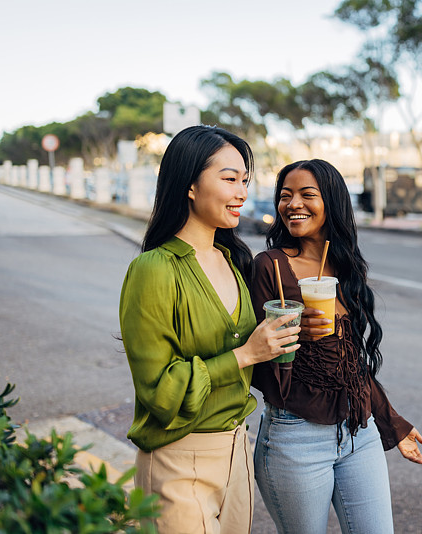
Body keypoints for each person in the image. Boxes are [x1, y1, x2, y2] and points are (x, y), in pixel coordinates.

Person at [118, 125, 300, 534]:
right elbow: (160, 393)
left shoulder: (235, 263)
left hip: (238, 453)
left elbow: (260, 361)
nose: (241, 193)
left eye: (245, 182)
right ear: (190, 185)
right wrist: (244, 355)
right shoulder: (154, 270)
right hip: (178, 458)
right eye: (229, 179)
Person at [250, 159, 422, 534]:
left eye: (306, 194)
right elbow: (258, 368)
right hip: (295, 438)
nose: (292, 204)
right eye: (285, 196)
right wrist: (297, 337)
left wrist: (392, 423)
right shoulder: (270, 267)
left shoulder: (345, 267)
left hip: (358, 433)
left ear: (330, 202)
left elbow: (352, 367)